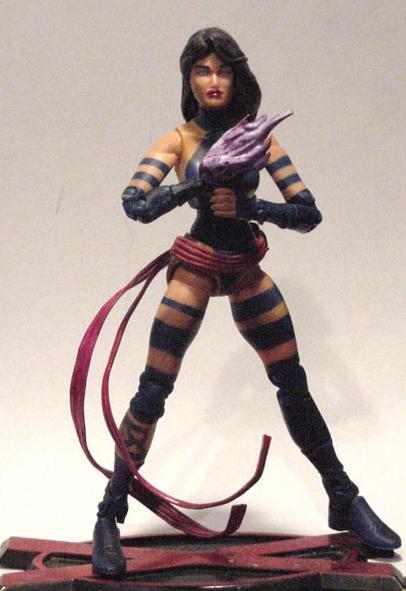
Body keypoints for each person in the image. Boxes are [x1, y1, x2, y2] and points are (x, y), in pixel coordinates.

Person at [91, 28, 401, 577]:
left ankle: (342, 495)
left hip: (245, 268)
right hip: (195, 268)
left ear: (237, 77)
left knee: (293, 382)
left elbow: (307, 211)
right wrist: (194, 187)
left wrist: (253, 207)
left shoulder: (259, 140)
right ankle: (109, 510)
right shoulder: (179, 140)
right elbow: (134, 202)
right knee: (154, 388)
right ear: (188, 78)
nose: (214, 80)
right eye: (202, 70)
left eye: (223, 70)